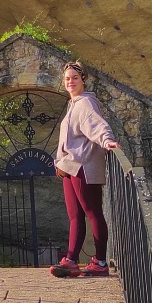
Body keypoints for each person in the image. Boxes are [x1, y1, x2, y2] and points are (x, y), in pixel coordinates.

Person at [50, 60, 120, 278]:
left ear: (83, 80)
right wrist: (60, 161)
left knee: (93, 213)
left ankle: (99, 262)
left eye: (75, 78)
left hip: (83, 166)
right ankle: (71, 260)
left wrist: (107, 141)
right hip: (70, 166)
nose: (70, 81)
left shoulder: (86, 104)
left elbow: (97, 125)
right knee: (75, 216)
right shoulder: (74, 104)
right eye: (67, 78)